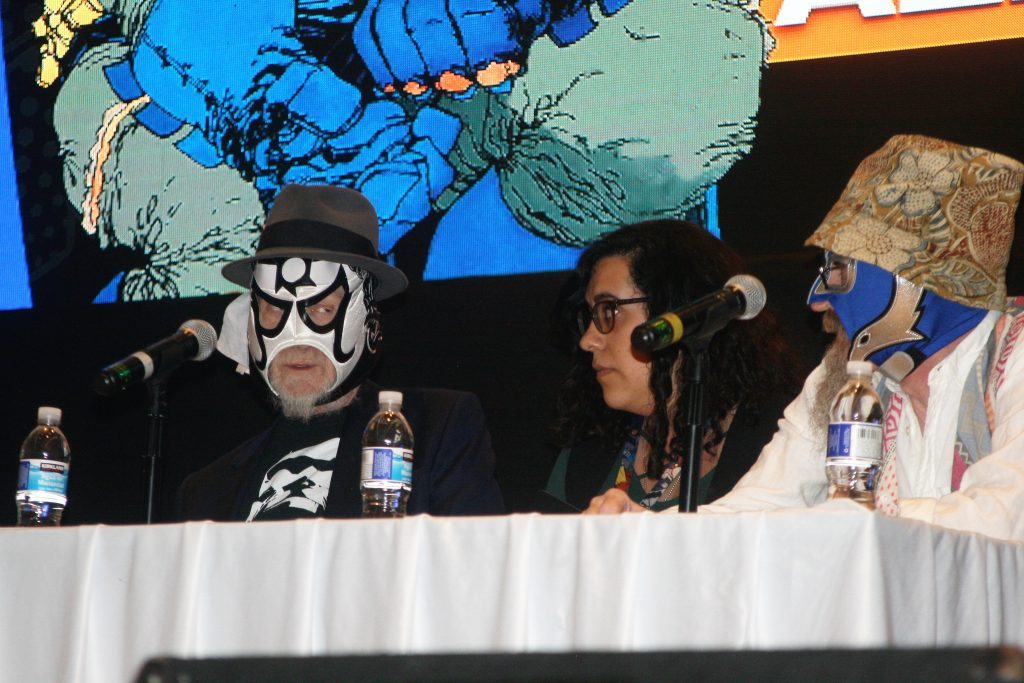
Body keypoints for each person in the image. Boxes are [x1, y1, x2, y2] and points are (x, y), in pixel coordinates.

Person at [586, 135, 1024, 543]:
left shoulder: (1015, 353)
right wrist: (645, 530)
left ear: (917, 279)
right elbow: (762, 505)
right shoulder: (841, 377)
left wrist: (840, 521)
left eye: (839, 270)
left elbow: (1004, 515)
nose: (816, 300)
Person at [176, 184, 504, 520]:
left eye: (322, 309)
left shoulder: (435, 430)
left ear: (367, 321)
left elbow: (471, 549)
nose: (297, 338)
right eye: (274, 309)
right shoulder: (207, 491)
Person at [539, 220, 797, 512]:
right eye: (591, 316)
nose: (588, 340)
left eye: (609, 310)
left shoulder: (779, 439)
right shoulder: (590, 442)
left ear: (675, 310)